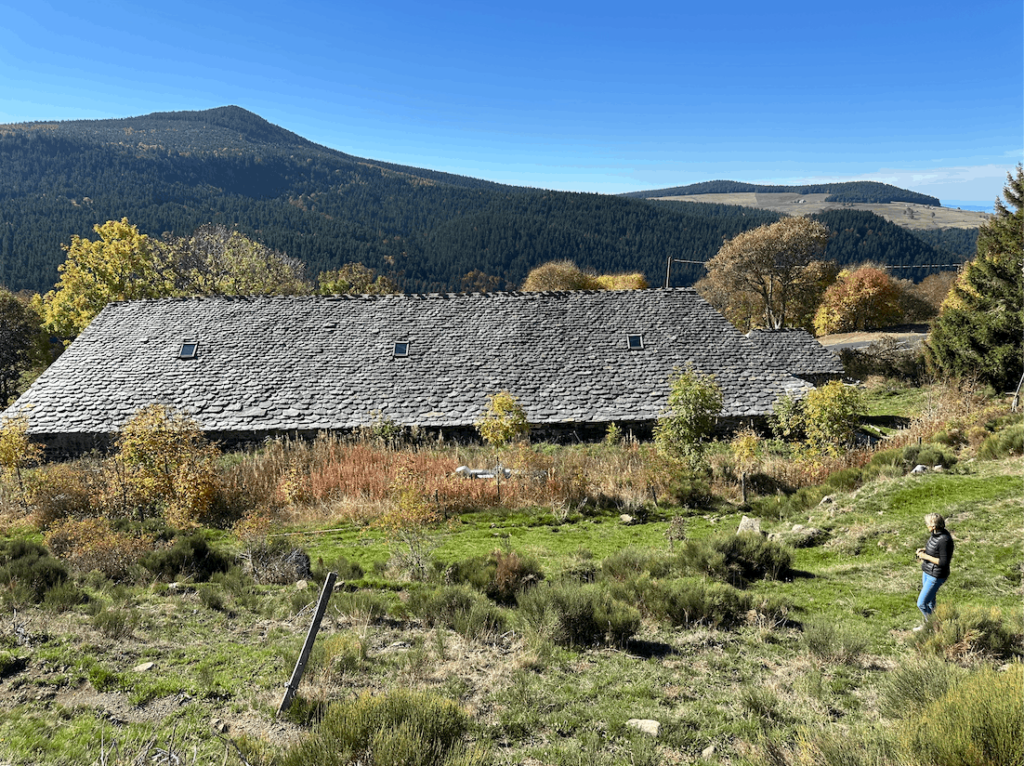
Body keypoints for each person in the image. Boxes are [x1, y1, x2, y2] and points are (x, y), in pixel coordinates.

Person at [914, 513, 954, 627]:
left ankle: (933, 626)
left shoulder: (944, 540)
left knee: (921, 603)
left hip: (936, 575)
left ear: (934, 526)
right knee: (931, 602)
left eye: (928, 524)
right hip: (927, 571)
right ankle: (932, 623)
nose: (926, 526)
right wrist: (925, 550)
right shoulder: (935, 534)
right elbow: (937, 550)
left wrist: (925, 557)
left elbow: (943, 562)